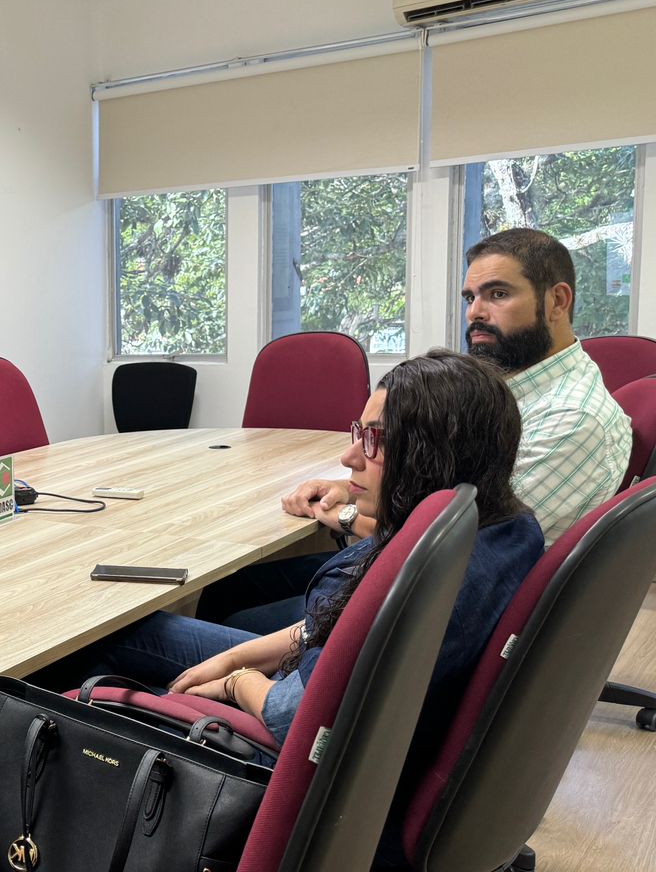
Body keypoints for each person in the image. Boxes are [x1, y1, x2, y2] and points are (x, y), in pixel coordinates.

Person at [49, 351, 543, 798]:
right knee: (128, 633)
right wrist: (235, 657)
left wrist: (237, 682)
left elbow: (292, 717)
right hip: (352, 726)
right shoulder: (505, 527)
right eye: (359, 432)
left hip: (288, 769)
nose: (350, 457)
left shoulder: (411, 579)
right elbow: (329, 633)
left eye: (375, 440)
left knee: (76, 675)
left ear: (431, 456)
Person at [197, 227, 631, 631]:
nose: (476, 313)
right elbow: (449, 488)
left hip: (433, 607)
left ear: (557, 301)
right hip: (409, 571)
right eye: (470, 297)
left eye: (498, 294)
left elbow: (457, 546)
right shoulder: (517, 390)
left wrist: (346, 516)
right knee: (227, 588)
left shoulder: (570, 420)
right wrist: (351, 488)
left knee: (230, 618)